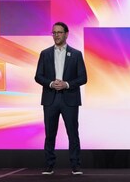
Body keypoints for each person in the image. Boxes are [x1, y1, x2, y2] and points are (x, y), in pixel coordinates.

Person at [35, 21, 88, 175]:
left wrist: (66, 84)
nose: (56, 35)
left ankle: (75, 165)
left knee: (73, 133)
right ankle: (49, 165)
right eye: (54, 32)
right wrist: (51, 83)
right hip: (50, 99)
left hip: (69, 99)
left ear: (66, 34)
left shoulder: (76, 54)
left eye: (59, 32)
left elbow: (83, 78)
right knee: (50, 134)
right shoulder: (45, 53)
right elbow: (38, 76)